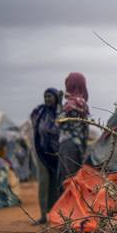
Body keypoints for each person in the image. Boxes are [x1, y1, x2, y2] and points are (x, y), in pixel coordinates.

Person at [30, 88, 61, 224]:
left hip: (57, 154)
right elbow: (36, 125)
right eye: (45, 96)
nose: (47, 99)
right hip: (41, 152)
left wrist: (60, 105)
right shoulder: (40, 111)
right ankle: (43, 215)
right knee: (43, 183)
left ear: (56, 98)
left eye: (50, 96)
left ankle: (55, 214)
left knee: (56, 184)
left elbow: (59, 128)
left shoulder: (60, 112)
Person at [57, 72, 89, 193]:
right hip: (77, 147)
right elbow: (85, 130)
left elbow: (59, 121)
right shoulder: (81, 103)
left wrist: (59, 104)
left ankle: (67, 210)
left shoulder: (72, 104)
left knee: (67, 181)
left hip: (68, 148)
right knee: (73, 180)